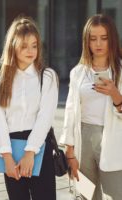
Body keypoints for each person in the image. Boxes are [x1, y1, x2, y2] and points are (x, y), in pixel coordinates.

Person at [0, 16, 58, 200]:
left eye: (34, 45)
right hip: (11, 151)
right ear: (13, 46)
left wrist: (30, 153)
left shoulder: (47, 77)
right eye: (24, 45)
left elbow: (45, 117)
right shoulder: (1, 82)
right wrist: (6, 158)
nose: (30, 50)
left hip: (39, 148)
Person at [60, 14, 122, 200]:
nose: (98, 44)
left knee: (115, 195)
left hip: (114, 140)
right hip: (83, 141)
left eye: (104, 38)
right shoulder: (78, 73)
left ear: (112, 39)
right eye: (93, 38)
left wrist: (115, 95)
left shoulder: (120, 71)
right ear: (86, 42)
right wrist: (69, 151)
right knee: (86, 195)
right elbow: (70, 112)